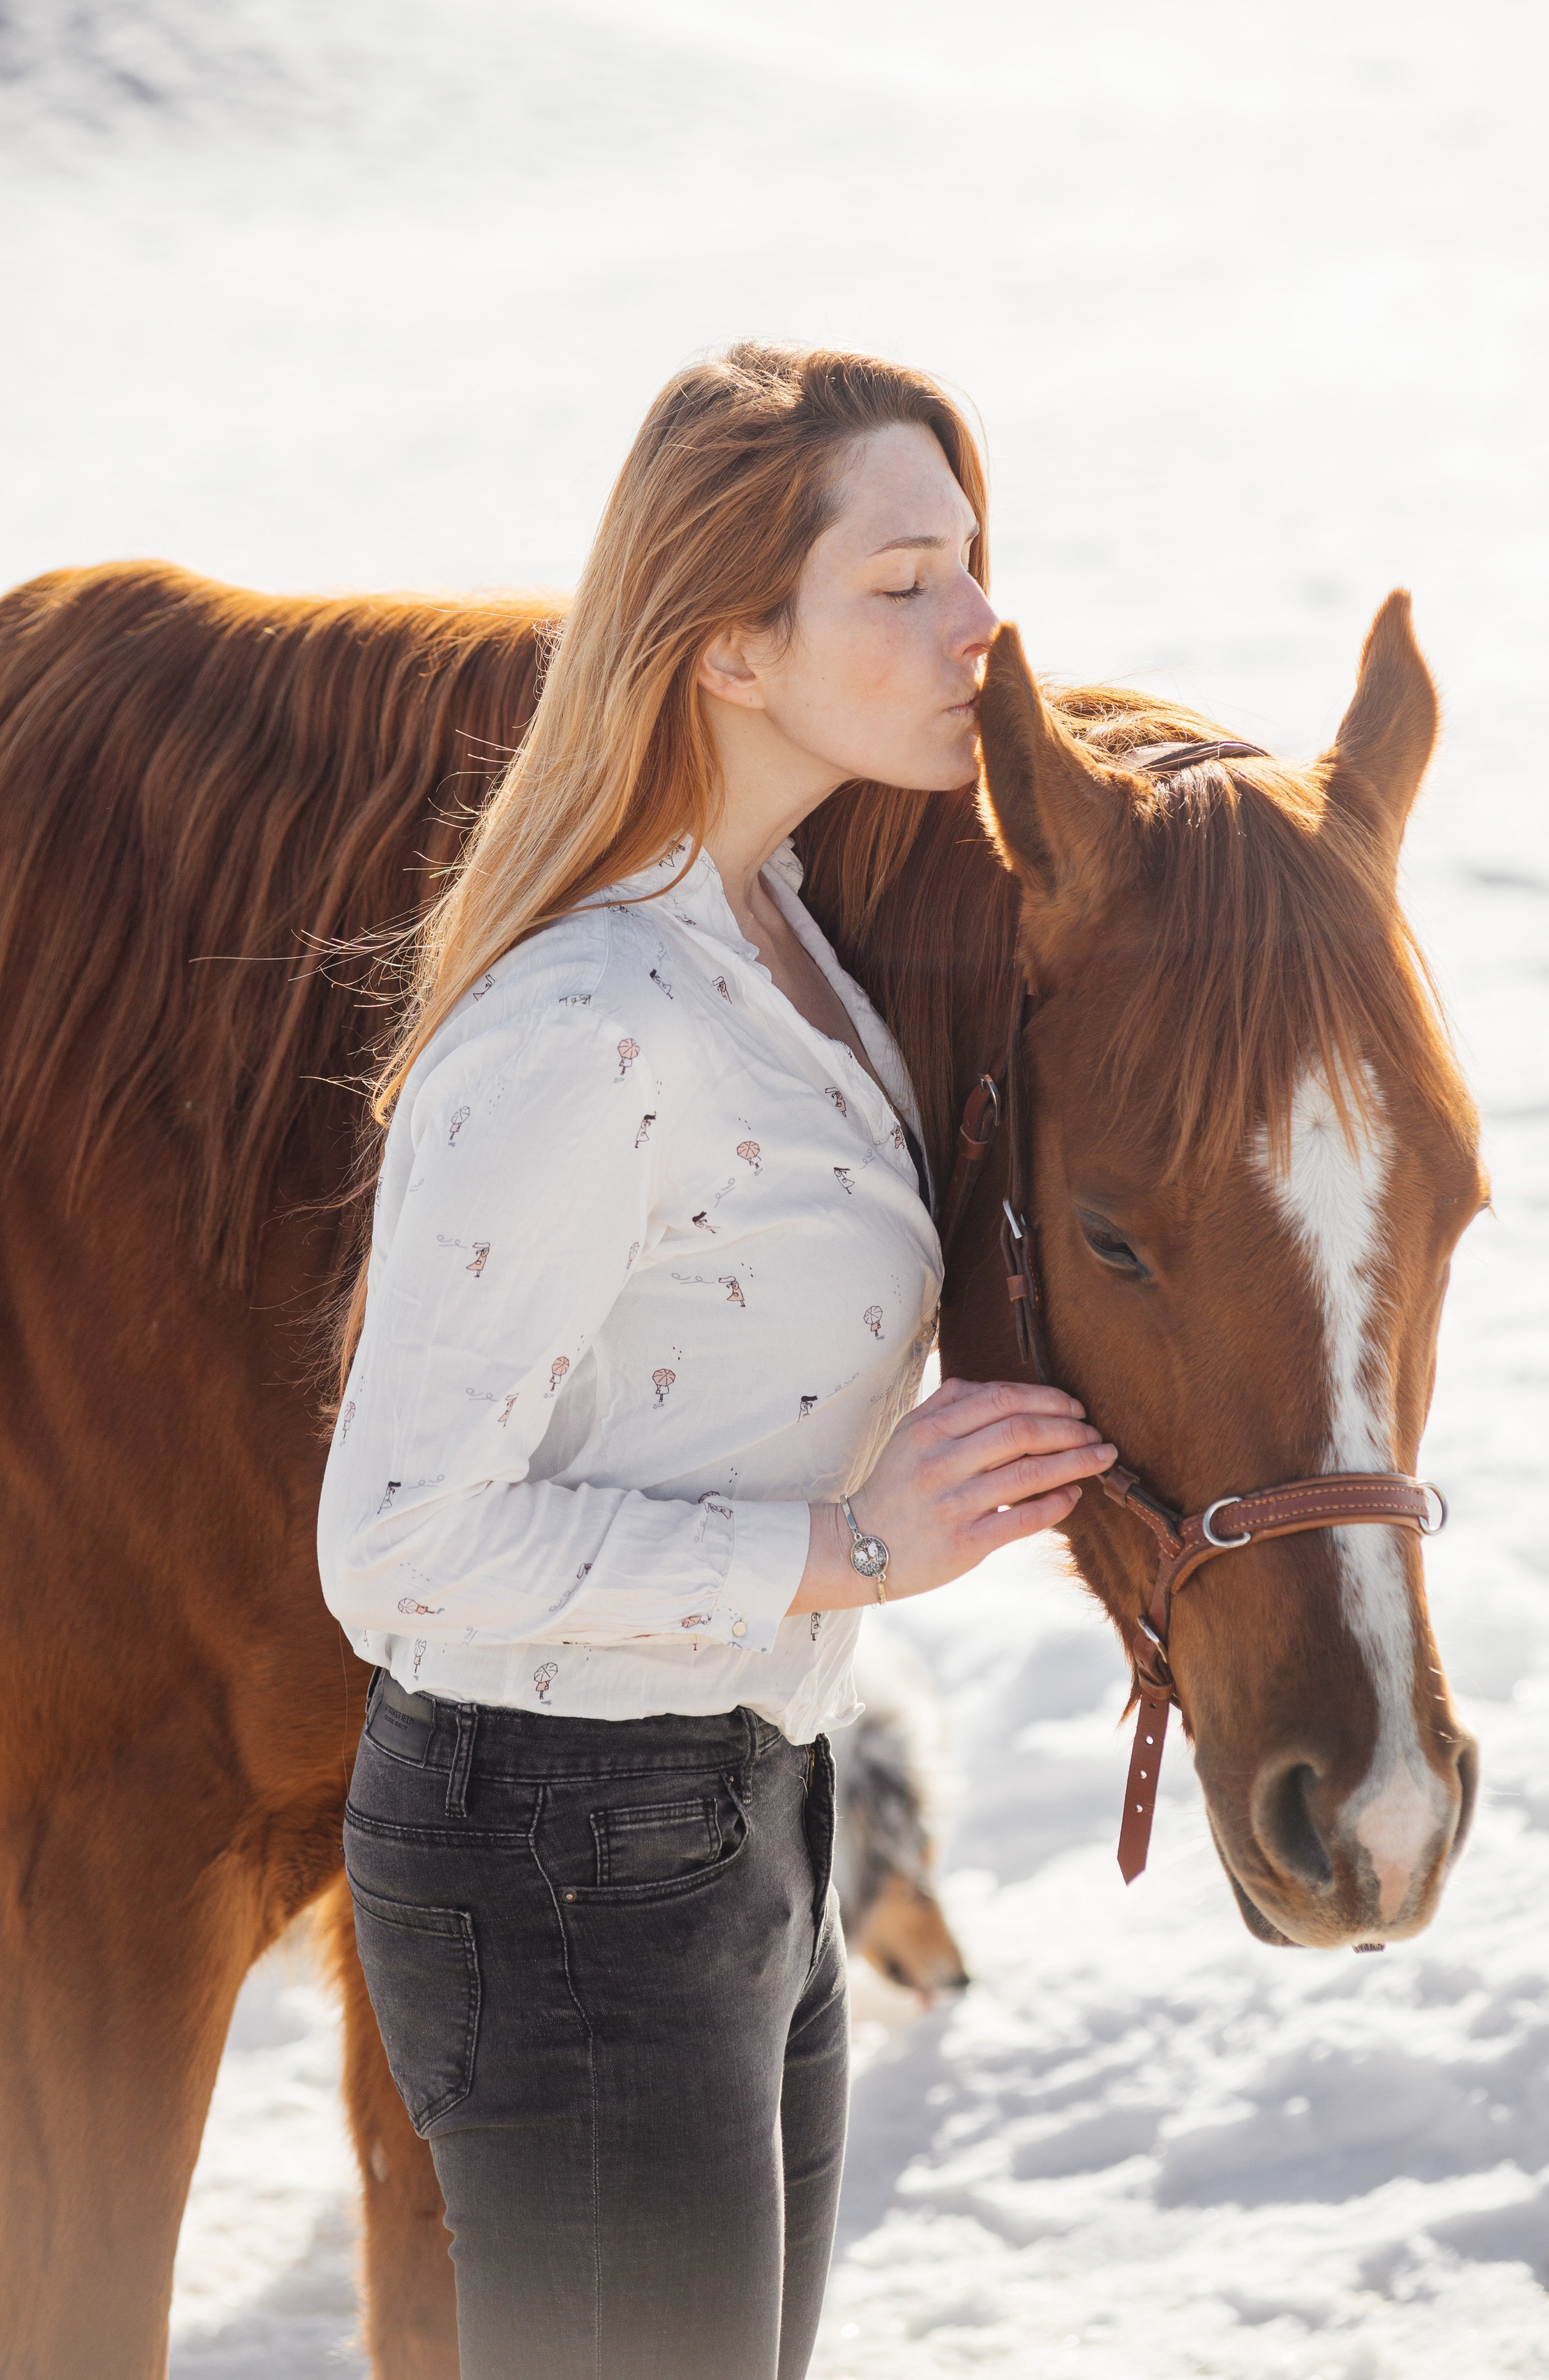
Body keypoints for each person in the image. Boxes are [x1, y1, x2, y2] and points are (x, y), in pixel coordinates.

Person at [317, 341, 1119, 2380]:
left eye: (977, 561)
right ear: (729, 648)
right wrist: (853, 1543)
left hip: (747, 1799)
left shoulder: (779, 938)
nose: (980, 622)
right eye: (904, 577)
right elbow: (401, 1544)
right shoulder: (596, 1018)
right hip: (567, 1838)